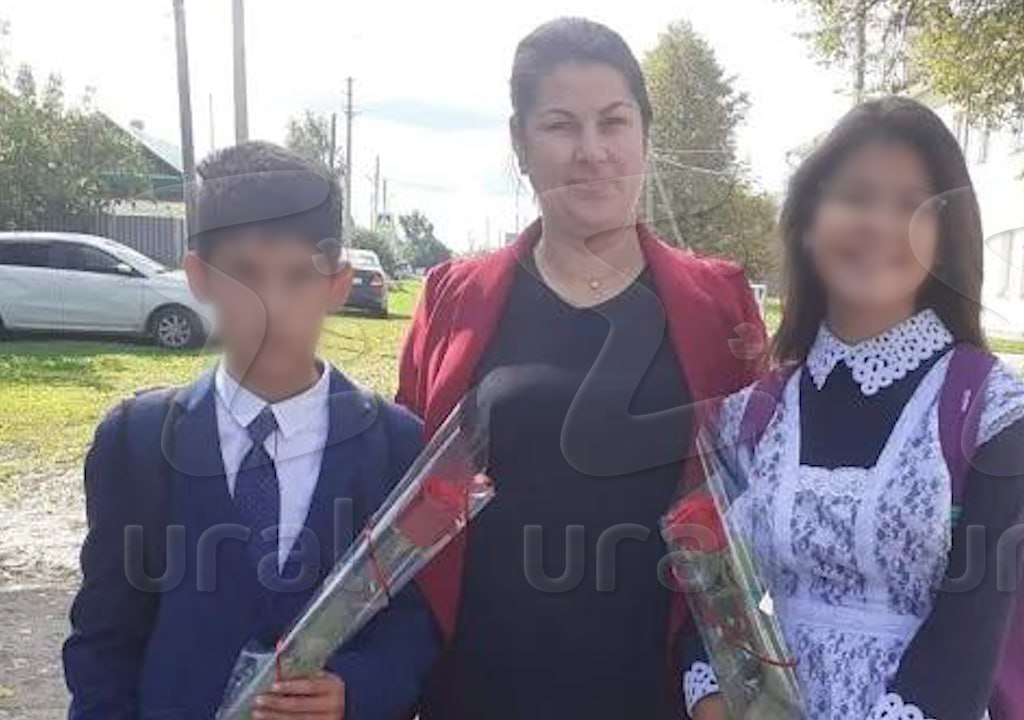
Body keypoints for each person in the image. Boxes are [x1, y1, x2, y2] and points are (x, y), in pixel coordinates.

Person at [396, 17, 763, 720]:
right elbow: (404, 508)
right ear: (520, 144)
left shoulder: (719, 304)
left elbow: (757, 505)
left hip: (660, 693)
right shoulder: (453, 299)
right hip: (479, 690)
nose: (592, 151)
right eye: (560, 126)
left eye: (613, 122)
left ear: (645, 135)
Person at [63, 142, 438, 719]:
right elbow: (105, 636)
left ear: (338, 283)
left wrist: (357, 691)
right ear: (199, 277)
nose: (272, 306)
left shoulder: (395, 445)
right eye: (244, 275)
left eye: (299, 276)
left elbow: (415, 621)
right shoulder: (138, 442)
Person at [714, 97, 1024, 719]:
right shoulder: (754, 416)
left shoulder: (991, 411)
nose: (879, 225)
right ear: (809, 222)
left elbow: (973, 630)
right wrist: (712, 692)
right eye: (855, 196)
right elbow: (712, 596)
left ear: (945, 238)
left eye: (910, 205)